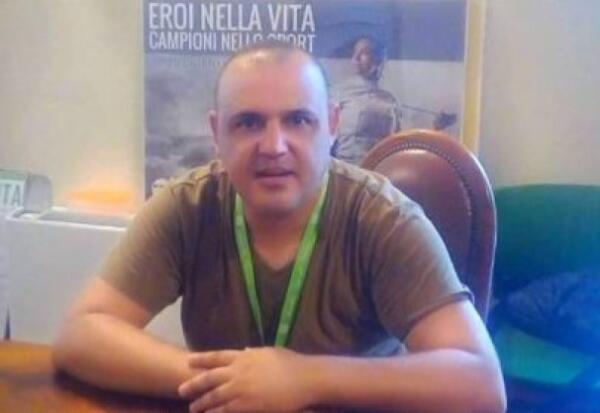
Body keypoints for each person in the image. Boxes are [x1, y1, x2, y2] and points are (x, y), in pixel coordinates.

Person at [52, 42, 506, 413]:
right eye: (249, 123)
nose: (273, 146)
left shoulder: (383, 219)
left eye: (298, 120)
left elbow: (481, 383)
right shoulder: (187, 205)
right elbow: (81, 334)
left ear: (332, 125)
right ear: (217, 133)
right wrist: (232, 383)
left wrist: (306, 378)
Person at [332, 36, 401, 165]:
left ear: (378, 59)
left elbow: (396, 143)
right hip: (346, 169)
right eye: (355, 53)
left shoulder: (390, 101)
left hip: (379, 170)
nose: (356, 58)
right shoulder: (339, 93)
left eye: (364, 53)